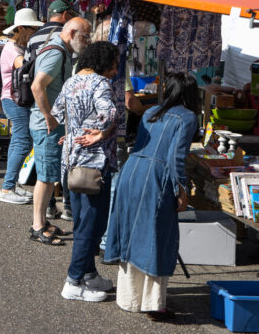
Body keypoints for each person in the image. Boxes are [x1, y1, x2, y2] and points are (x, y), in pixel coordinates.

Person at [104, 73, 199, 318]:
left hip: (132, 171)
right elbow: (176, 158)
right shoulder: (187, 118)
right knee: (157, 236)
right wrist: (182, 189)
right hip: (155, 177)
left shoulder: (151, 111)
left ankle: (130, 299)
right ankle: (154, 304)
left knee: (132, 232)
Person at [51, 41, 120, 302]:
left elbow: (58, 112)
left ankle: (89, 274)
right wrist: (102, 132)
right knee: (92, 224)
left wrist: (73, 133)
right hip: (94, 162)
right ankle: (74, 280)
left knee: (82, 221)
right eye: (114, 63)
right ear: (105, 62)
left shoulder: (70, 82)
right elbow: (109, 114)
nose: (115, 69)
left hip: (72, 160)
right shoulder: (101, 83)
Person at [29, 17, 93, 245]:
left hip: (49, 123)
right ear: (72, 32)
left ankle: (42, 222)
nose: (87, 41)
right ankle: (37, 225)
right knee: (46, 178)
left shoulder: (60, 49)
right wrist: (48, 115)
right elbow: (37, 85)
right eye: (85, 36)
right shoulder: (57, 52)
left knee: (49, 176)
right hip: (45, 124)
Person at [0, 8, 43, 204]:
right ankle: (7, 188)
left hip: (15, 100)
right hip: (14, 100)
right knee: (22, 141)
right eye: (33, 29)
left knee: (20, 141)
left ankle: (12, 184)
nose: (35, 32)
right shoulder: (12, 50)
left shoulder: (19, 47)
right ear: (21, 28)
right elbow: (25, 68)